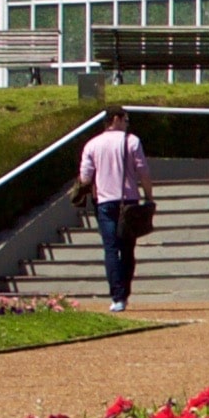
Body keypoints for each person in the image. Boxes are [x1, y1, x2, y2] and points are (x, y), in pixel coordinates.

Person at [72, 106, 152, 314]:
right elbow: (143, 172)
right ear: (115, 119)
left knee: (110, 249)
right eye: (125, 120)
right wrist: (149, 197)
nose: (127, 123)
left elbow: (86, 178)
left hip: (104, 202)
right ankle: (124, 293)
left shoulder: (92, 144)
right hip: (130, 201)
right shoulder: (132, 141)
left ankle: (117, 296)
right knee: (127, 249)